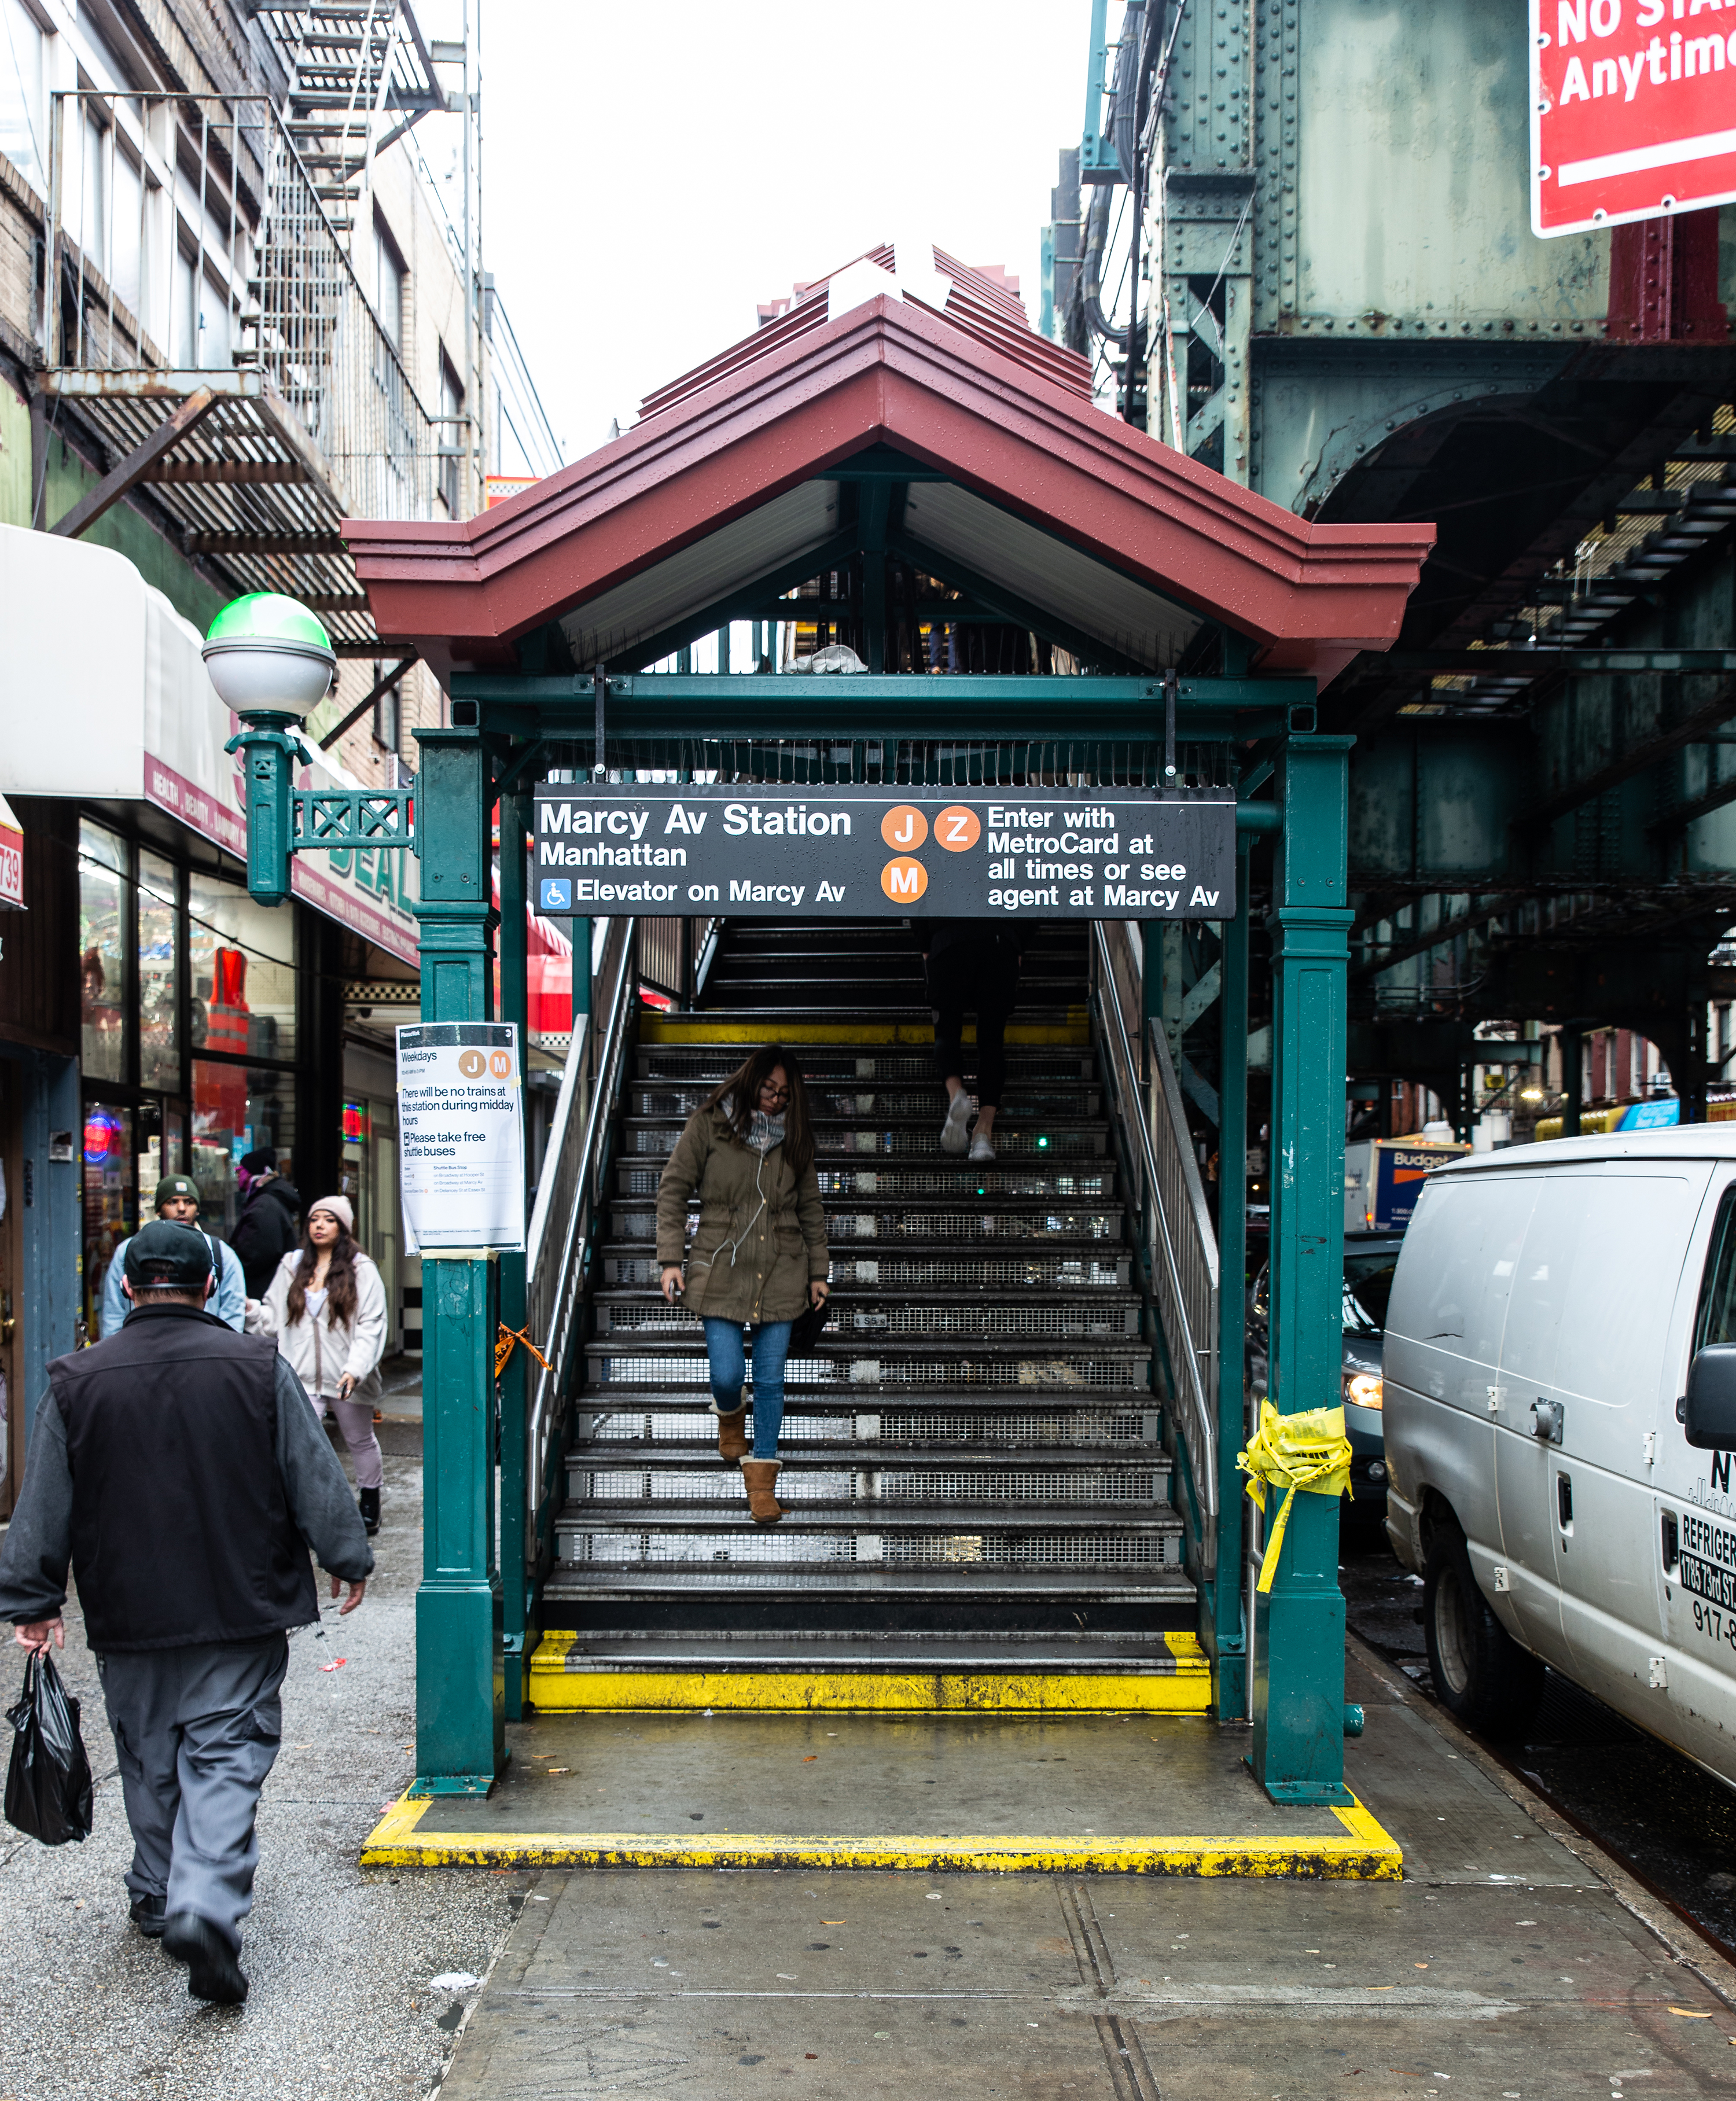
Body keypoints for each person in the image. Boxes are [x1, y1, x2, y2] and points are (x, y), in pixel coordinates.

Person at [0, 1221, 372, 2007]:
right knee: (228, 1752)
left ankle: (160, 1884)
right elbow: (310, 1468)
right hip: (240, 1603)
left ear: (128, 1289)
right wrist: (345, 1551)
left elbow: (44, 1503)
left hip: (128, 1610)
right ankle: (201, 1899)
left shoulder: (75, 1379)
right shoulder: (254, 1365)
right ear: (211, 1287)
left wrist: (33, 1601)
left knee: (147, 1752)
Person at [656, 1045, 829, 1525]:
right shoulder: (710, 1124)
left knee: (771, 1379)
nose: (775, 1100)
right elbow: (673, 1189)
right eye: (769, 1089)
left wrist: (819, 1272)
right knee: (728, 1373)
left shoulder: (794, 1140)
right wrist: (671, 1259)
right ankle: (730, 1414)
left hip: (783, 1270)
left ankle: (762, 1488)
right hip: (720, 1268)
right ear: (751, 1081)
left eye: (785, 1095)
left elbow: (811, 1209)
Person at [247, 1196, 388, 1536]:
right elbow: (274, 1318)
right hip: (301, 1377)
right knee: (299, 1443)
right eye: (314, 1220)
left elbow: (371, 1324)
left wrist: (355, 1368)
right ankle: (307, 1507)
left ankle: (370, 1501)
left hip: (348, 1376)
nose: (320, 1226)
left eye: (329, 1220)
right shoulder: (291, 1266)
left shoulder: (361, 1269)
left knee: (359, 1439)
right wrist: (251, 1310)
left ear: (344, 1228)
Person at [921, 919, 1027, 1162]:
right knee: (991, 1042)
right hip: (999, 943)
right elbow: (1032, 898)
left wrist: (926, 943)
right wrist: (1017, 943)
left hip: (946, 942)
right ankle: (982, 1134)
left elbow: (917, 896)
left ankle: (957, 1094)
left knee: (946, 1033)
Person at [100, 1174, 245, 1337]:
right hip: (141, 1352)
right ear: (158, 1209)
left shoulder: (221, 1253)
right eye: (173, 1202)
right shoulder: (128, 1251)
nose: (182, 1208)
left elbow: (233, 1314)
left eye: (189, 1202)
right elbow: (114, 1313)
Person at [229, 1147, 301, 1300]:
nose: (237, 1174)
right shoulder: (266, 1200)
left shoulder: (264, 1206)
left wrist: (231, 1265)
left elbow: (256, 1254)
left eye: (240, 1170)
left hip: (262, 1295)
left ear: (251, 1173)